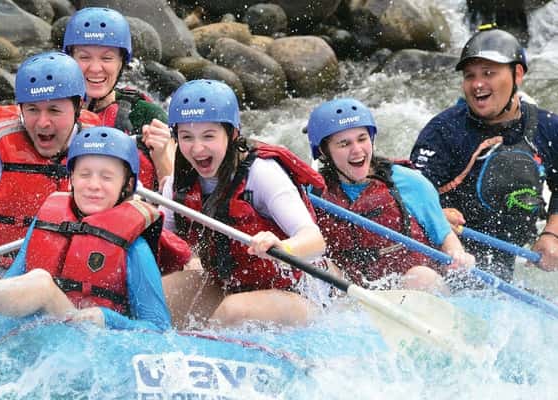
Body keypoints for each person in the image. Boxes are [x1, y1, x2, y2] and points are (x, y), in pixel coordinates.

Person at [0, 126, 171, 331]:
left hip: (92, 340)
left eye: (107, 177)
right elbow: (11, 283)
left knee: (41, 284)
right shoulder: (47, 222)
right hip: (42, 335)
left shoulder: (135, 248)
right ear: (71, 178)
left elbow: (160, 329)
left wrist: (108, 318)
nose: (93, 185)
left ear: (127, 185)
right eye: (84, 174)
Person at [160, 80, 327, 328]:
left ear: (233, 134)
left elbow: (315, 240)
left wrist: (284, 247)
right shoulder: (177, 184)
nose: (197, 148)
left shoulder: (262, 173)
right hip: (228, 285)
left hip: (294, 295)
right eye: (186, 137)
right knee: (160, 295)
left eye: (209, 136)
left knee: (233, 310)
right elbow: (161, 245)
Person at [409, 27, 558, 280]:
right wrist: (436, 215)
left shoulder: (548, 128)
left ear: (517, 74)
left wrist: (552, 234)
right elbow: (411, 195)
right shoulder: (443, 131)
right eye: (470, 76)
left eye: (488, 73)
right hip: (456, 260)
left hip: (518, 256)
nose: (477, 84)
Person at [0, 51, 94, 276]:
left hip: (66, 278)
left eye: (54, 110)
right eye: (32, 110)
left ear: (78, 107)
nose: (43, 123)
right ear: (20, 108)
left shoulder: (100, 151)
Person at [307, 98, 475, 292]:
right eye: (344, 144)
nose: (357, 150)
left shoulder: (410, 183)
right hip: (353, 296)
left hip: (415, 291)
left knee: (421, 276)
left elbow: (446, 237)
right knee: (321, 269)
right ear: (324, 151)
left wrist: (459, 256)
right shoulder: (313, 193)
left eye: (362, 139)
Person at [62, 7, 174, 190]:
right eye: (84, 57)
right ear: (69, 59)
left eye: (107, 58)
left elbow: (177, 196)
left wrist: (162, 157)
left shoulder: (146, 115)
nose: (95, 68)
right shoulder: (48, 110)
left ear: (121, 62)